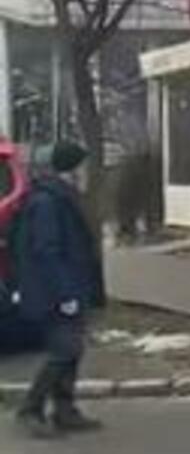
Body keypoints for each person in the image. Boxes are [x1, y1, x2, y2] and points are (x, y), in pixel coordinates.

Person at [12, 142, 101, 439]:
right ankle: (30, 409)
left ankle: (65, 409)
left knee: (72, 351)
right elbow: (46, 252)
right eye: (83, 166)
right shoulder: (48, 202)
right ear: (71, 170)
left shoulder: (61, 196)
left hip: (69, 287)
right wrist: (65, 295)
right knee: (63, 352)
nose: (86, 171)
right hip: (53, 292)